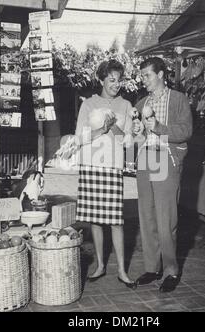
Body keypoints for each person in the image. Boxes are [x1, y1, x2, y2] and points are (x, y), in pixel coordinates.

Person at [75, 59, 137, 289]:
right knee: (95, 219)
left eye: (119, 80)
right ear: (101, 80)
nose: (116, 84)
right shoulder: (89, 104)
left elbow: (129, 140)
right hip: (91, 166)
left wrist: (114, 127)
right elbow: (79, 138)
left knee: (116, 220)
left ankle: (122, 270)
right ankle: (100, 265)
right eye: (111, 80)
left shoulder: (126, 105)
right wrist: (102, 128)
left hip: (113, 166)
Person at [133, 57, 193, 292]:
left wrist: (157, 127)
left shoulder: (178, 99)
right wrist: (135, 129)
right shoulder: (141, 102)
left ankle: (170, 270)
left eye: (147, 75)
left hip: (165, 159)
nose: (143, 80)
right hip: (144, 160)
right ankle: (152, 267)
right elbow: (134, 132)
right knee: (146, 216)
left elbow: (185, 130)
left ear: (160, 75)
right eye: (142, 76)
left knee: (166, 218)